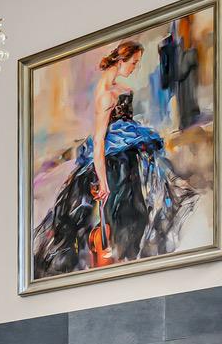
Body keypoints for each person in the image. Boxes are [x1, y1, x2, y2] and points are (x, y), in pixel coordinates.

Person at [31, 36, 198, 278]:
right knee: (125, 212)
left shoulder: (120, 89)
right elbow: (99, 141)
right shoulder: (105, 95)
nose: (135, 68)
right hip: (115, 161)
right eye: (134, 63)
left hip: (129, 151)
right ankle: (118, 261)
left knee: (147, 202)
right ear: (121, 60)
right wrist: (103, 182)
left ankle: (130, 259)